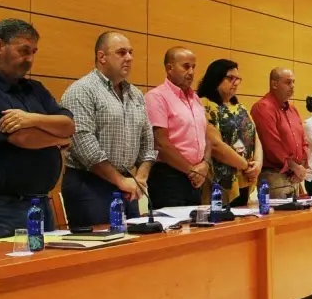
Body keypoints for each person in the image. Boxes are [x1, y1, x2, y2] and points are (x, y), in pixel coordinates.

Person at [0, 19, 75, 240]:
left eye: (33, 52)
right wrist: (59, 139)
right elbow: (23, 138)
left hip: (40, 202)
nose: (30, 59)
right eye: (24, 51)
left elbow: (68, 125)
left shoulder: (35, 89)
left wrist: (32, 118)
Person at [60, 31, 156, 227]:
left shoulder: (136, 94)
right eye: (121, 52)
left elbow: (147, 140)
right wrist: (120, 181)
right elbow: (84, 145)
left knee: (134, 241)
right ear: (101, 57)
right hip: (89, 185)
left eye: (130, 52)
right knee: (101, 243)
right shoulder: (82, 90)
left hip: (128, 184)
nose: (129, 58)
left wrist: (141, 177)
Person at [145, 48, 210, 208]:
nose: (191, 72)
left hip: (196, 177)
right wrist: (191, 170)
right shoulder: (156, 97)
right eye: (186, 66)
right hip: (169, 177)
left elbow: (206, 136)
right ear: (169, 68)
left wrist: (206, 164)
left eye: (193, 67)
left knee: (195, 224)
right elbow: (160, 143)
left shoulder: (195, 99)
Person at [196, 59, 261, 207]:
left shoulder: (240, 107)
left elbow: (256, 138)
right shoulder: (204, 104)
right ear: (216, 78)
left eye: (238, 79)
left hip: (245, 178)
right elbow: (215, 146)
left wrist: (257, 164)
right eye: (230, 78)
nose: (235, 83)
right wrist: (245, 165)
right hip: (220, 182)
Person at [251, 68, 307, 200]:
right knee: (280, 213)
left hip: (294, 175)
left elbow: (303, 140)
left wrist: (301, 166)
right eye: (288, 82)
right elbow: (271, 144)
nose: (292, 86)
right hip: (274, 175)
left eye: (293, 82)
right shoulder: (263, 107)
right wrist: (294, 166)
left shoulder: (293, 109)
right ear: (274, 84)